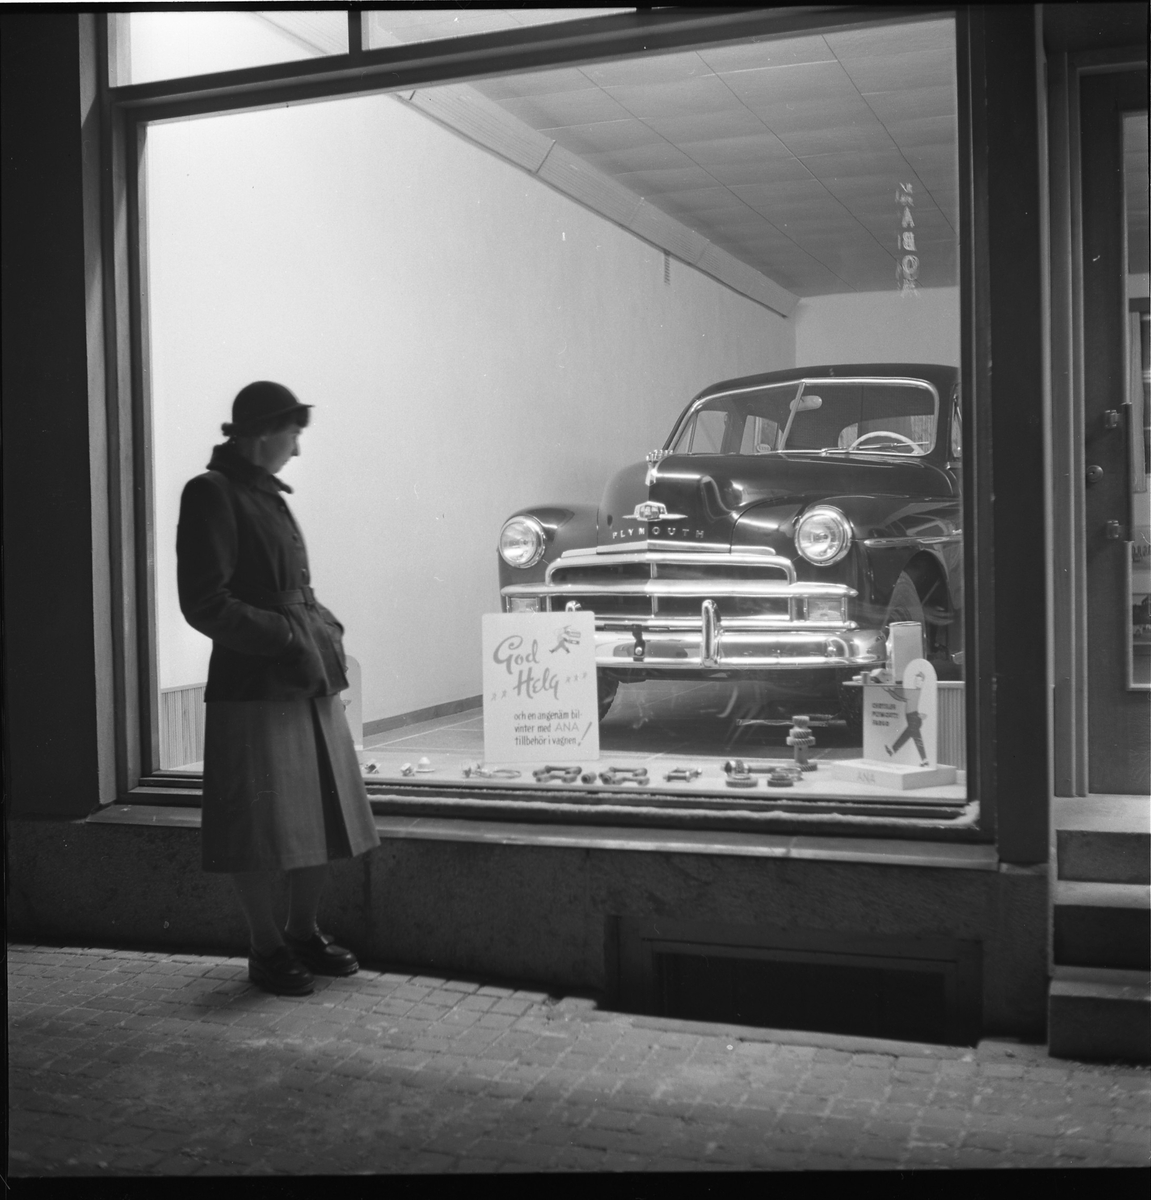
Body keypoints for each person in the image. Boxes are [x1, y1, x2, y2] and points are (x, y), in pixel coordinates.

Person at [177, 381, 380, 996]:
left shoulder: (264, 493)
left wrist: (321, 630)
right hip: (254, 682)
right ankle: (265, 947)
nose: (297, 449)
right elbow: (205, 602)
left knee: (315, 810)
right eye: (293, 435)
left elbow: (293, 588)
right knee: (259, 823)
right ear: (264, 432)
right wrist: (288, 639)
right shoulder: (211, 493)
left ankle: (302, 932)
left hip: (303, 675)